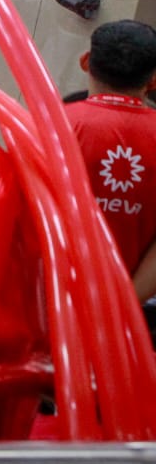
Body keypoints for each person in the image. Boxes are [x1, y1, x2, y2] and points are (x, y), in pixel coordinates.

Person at [65, 20, 156, 298]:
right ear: (152, 81)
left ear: (85, 61)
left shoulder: (49, 126)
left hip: (42, 300)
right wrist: (121, 308)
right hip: (119, 312)